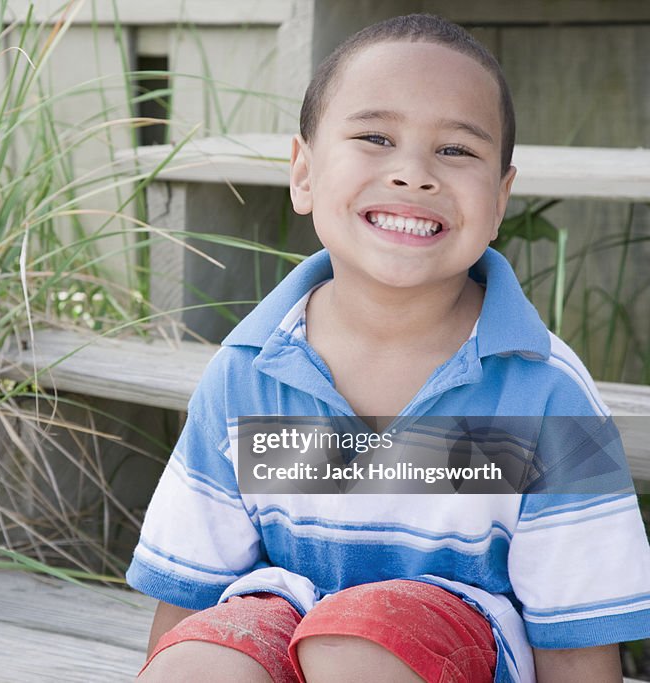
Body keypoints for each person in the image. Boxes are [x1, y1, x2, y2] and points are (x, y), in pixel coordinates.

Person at [126, 13, 650, 683]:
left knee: (358, 644)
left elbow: (577, 646)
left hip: (450, 651)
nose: (413, 174)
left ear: (499, 200)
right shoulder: (245, 372)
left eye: (456, 151)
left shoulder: (544, 393)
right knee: (205, 655)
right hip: (283, 629)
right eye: (375, 137)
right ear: (304, 171)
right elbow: (188, 602)